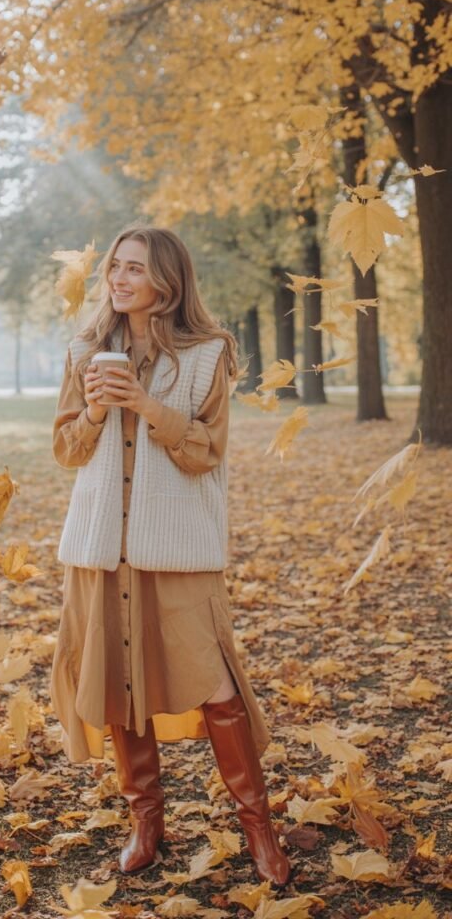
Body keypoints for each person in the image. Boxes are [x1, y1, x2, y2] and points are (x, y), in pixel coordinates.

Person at [50, 225, 291, 887]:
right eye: (114, 267)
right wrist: (98, 412)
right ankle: (146, 828)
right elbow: (67, 449)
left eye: (136, 269)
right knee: (122, 689)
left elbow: (205, 452)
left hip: (179, 551)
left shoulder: (209, 355)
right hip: (100, 551)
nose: (119, 279)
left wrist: (145, 406)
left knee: (216, 688)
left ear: (168, 281)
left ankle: (259, 832)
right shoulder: (86, 351)